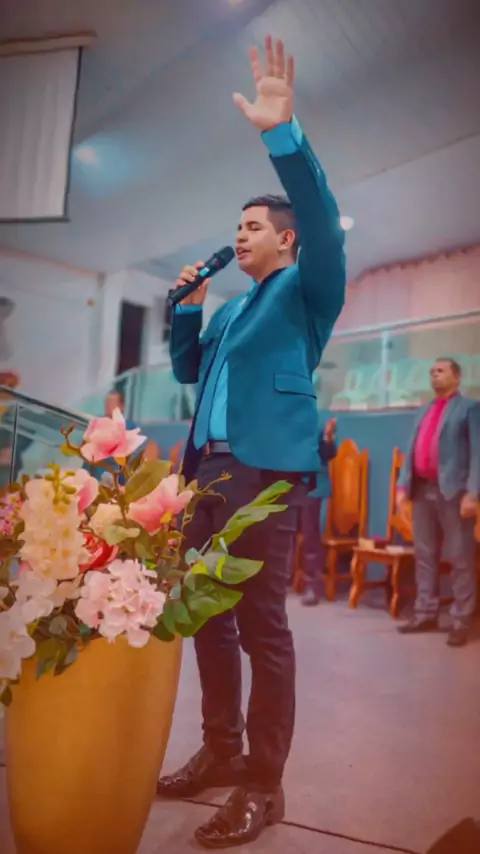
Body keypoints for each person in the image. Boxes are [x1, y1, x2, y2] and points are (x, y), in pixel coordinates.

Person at [157, 36, 346, 849]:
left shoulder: (306, 289)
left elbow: (321, 216)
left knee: (262, 626)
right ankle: (220, 749)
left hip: (266, 474)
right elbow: (190, 371)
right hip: (210, 471)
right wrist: (185, 310)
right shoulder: (232, 310)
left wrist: (282, 134)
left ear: (286, 239)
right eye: (234, 226)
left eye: (252, 226)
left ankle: (263, 783)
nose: (238, 236)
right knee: (206, 616)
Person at [396, 357, 480, 648]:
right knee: (424, 555)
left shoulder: (469, 408)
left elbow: (478, 453)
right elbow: (411, 449)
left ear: (457, 377)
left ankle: (461, 620)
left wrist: (473, 493)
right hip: (422, 491)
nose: (434, 375)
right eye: (432, 371)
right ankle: (425, 613)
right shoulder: (424, 410)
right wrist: (402, 487)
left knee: (460, 557)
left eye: (440, 371)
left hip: (454, 493)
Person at [301, 417, 337, 606]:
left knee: (310, 538)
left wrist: (328, 437)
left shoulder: (317, 419)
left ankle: (313, 586)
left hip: (313, 487)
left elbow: (329, 453)